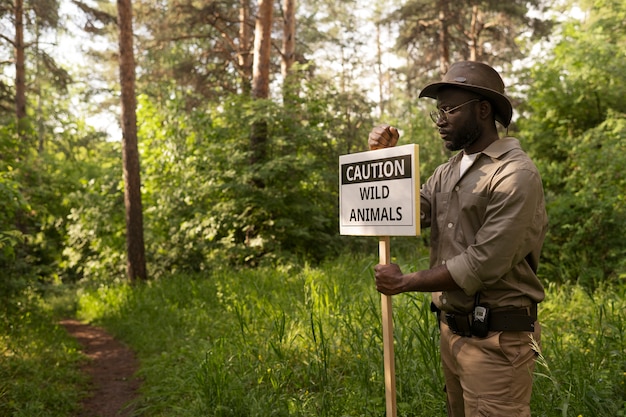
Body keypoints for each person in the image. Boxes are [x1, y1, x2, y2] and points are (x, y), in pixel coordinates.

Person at [368, 61, 548, 417]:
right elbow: (402, 213)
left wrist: (405, 282)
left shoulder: (515, 173)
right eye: (438, 110)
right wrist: (382, 158)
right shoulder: (446, 172)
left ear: (483, 110)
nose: (440, 120)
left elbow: (484, 262)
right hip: (452, 335)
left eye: (450, 109)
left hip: (497, 341)